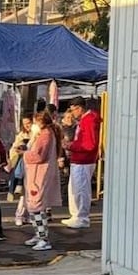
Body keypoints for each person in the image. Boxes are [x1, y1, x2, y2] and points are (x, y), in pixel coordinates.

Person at [23, 110, 64, 251]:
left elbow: (39, 156)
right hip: (38, 175)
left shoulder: (45, 135)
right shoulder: (48, 134)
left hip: (39, 176)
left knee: (37, 207)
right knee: (35, 207)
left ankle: (43, 238)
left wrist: (25, 153)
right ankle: (38, 235)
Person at [63, 98, 101, 229]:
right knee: (75, 188)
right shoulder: (86, 120)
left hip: (84, 159)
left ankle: (82, 217)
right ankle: (76, 215)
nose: (72, 113)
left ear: (79, 108)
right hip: (80, 158)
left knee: (81, 189)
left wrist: (71, 146)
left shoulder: (88, 120)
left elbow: (89, 144)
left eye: (73, 110)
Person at [8, 115, 35, 226]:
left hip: (33, 166)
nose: (27, 125)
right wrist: (19, 148)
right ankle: (19, 215)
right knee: (24, 193)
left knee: (31, 193)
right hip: (23, 166)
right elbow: (14, 149)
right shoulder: (21, 135)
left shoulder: (36, 134)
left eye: (29, 122)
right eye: (24, 123)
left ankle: (28, 215)